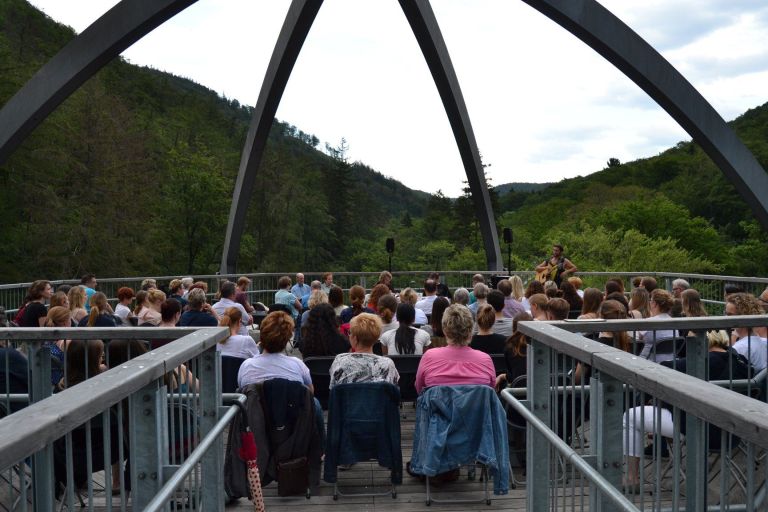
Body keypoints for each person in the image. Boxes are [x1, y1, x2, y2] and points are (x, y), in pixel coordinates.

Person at [622, 330, 750, 490]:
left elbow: (663, 368)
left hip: (701, 427)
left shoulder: (702, 361)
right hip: (733, 431)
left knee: (630, 416)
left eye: (689, 341)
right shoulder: (739, 360)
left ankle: (632, 478)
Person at [414, 305, 496, 394]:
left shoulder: (429, 357)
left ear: (445, 330)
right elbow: (491, 392)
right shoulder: (485, 360)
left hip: (437, 408)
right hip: (477, 408)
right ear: (471, 330)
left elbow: (420, 389)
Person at [329, 313, 399, 387]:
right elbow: (394, 392)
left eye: (350, 333)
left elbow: (334, 390)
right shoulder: (387, 364)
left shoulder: (340, 361)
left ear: (355, 339)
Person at [726, 293, 768, 372]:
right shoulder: (762, 341)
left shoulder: (741, 347)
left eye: (730, 315)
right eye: (725, 313)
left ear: (743, 315)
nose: (725, 318)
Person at [638, 289, 677, 362]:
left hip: (648, 362)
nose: (649, 302)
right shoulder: (675, 323)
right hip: (671, 362)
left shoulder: (648, 322)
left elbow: (638, 338)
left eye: (651, 300)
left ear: (654, 303)